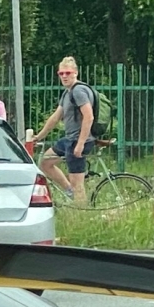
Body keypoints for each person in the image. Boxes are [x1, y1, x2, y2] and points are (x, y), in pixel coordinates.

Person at [31, 56, 98, 206]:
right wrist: (39, 136)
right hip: (69, 139)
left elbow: (89, 116)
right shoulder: (67, 93)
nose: (64, 76)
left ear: (75, 72)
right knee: (45, 163)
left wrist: (80, 144)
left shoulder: (79, 91)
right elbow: (55, 118)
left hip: (79, 140)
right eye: (61, 73)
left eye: (67, 73)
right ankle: (69, 190)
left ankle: (82, 215)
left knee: (77, 184)